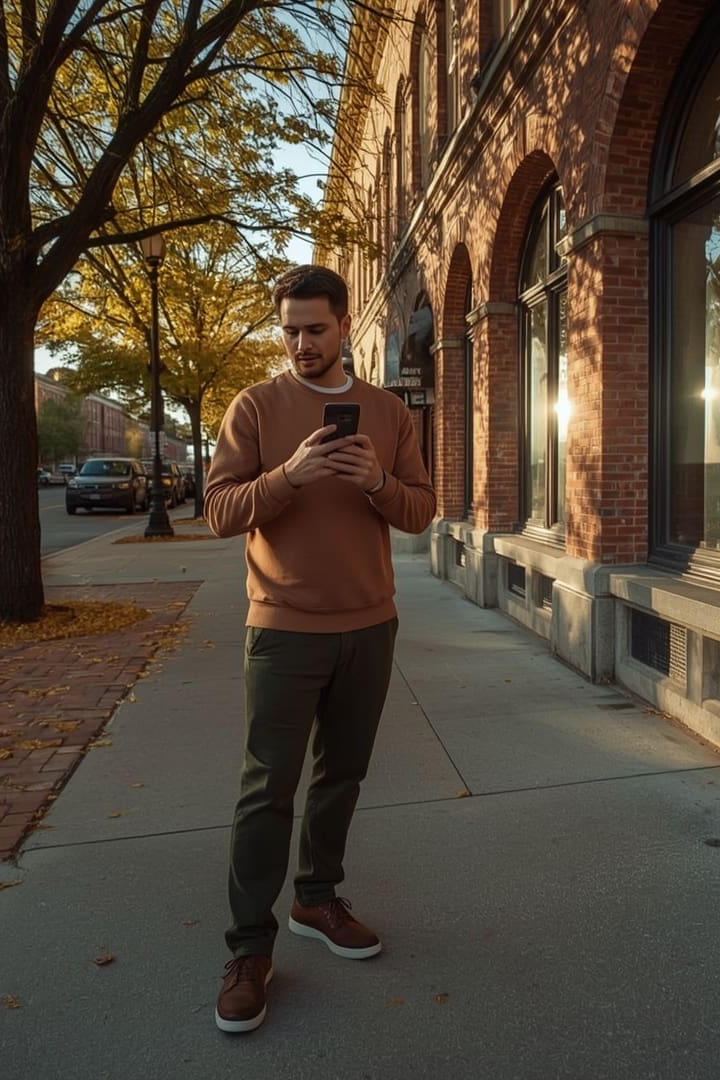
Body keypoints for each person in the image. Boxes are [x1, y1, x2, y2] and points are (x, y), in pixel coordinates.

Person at [203, 264, 437, 1034]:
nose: (301, 343)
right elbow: (219, 512)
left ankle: (316, 896)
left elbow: (421, 513)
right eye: (290, 330)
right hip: (282, 629)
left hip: (369, 627)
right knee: (265, 790)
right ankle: (248, 950)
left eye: (315, 329)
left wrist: (375, 481)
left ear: (344, 328)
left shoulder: (386, 411)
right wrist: (288, 476)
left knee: (342, 776)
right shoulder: (257, 407)